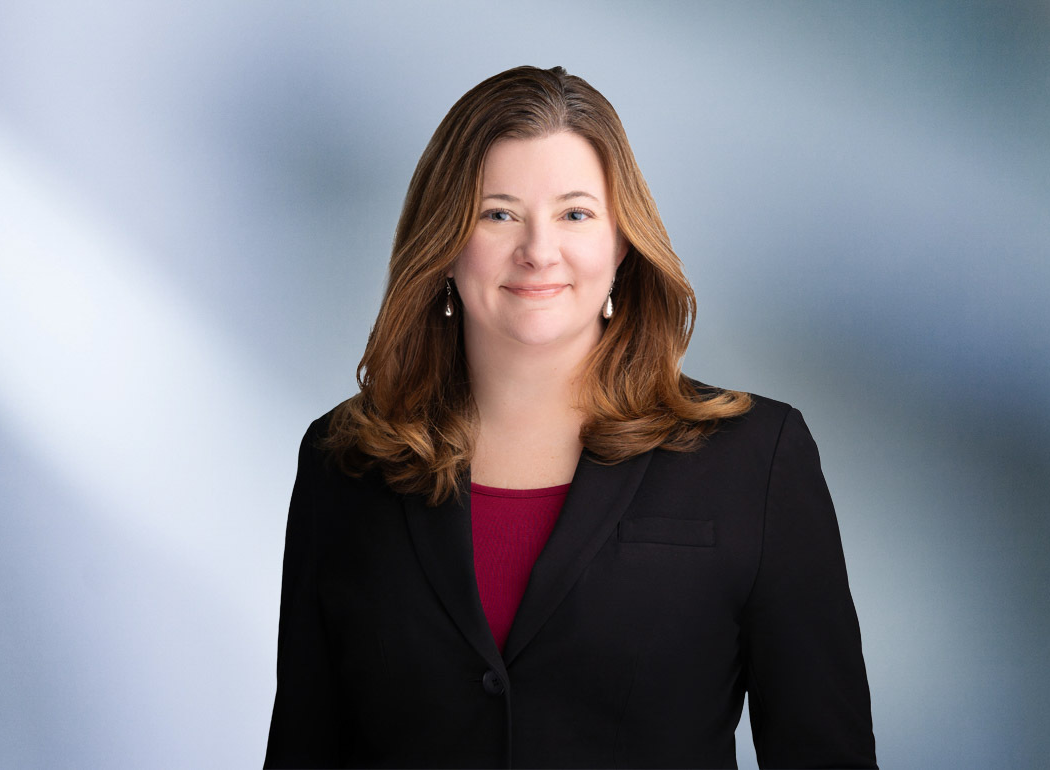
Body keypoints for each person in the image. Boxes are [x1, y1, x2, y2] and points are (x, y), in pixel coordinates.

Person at [264, 65, 876, 769]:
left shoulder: (755, 459)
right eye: (498, 213)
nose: (538, 251)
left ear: (622, 244)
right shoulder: (345, 462)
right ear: (445, 246)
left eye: (575, 213)